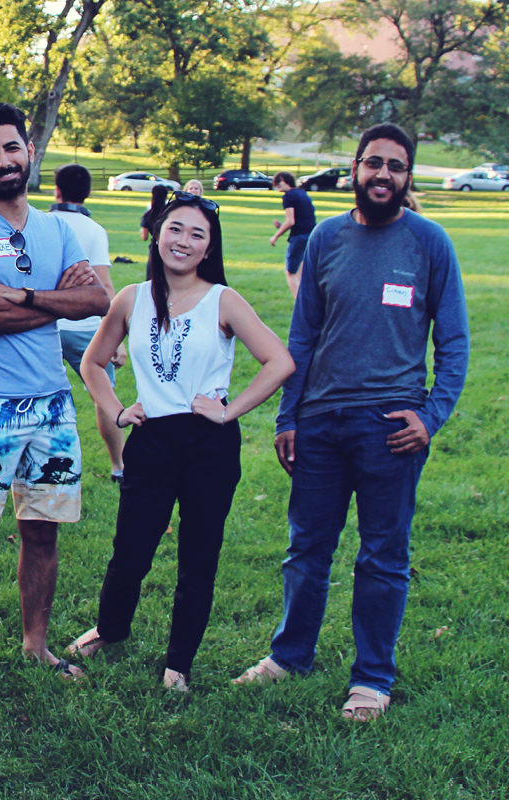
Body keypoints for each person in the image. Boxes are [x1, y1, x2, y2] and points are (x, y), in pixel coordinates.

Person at [235, 123, 469, 722]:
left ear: (408, 176)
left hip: (391, 427)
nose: (383, 174)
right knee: (306, 549)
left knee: (382, 557)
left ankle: (371, 681)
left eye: (396, 165)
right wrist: (289, 415)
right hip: (319, 423)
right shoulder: (327, 239)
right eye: (373, 163)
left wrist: (430, 416)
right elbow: (303, 335)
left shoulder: (430, 242)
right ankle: (289, 656)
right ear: (355, 169)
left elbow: (456, 343)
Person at [66, 191, 294, 691]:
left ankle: (178, 665)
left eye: (197, 234)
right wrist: (119, 410)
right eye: (176, 229)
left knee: (198, 555)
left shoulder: (223, 300)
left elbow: (279, 362)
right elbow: (93, 362)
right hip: (150, 439)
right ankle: (110, 629)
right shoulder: (131, 297)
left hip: (207, 444)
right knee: (130, 548)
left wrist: (229, 410)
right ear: (157, 232)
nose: (184, 241)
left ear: (210, 247)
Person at [0, 103, 110, 705]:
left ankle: (36, 645)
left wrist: (27, 293)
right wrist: (58, 297)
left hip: (53, 406)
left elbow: (100, 302)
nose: (4, 160)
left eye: (12, 148)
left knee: (43, 535)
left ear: (29, 151)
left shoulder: (61, 229)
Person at [47, 163, 125, 483]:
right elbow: (105, 288)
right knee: (104, 397)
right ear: (88, 193)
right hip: (85, 329)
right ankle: (119, 467)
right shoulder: (95, 231)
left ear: (57, 190)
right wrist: (116, 338)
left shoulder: (42, 224)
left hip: (45, 325)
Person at [270, 171, 317, 299]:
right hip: (311, 235)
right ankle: (308, 300)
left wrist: (275, 236)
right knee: (301, 273)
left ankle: (300, 305)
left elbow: (291, 221)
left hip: (299, 237)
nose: (277, 187)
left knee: (290, 273)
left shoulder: (289, 196)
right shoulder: (302, 193)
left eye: (278, 183)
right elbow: (301, 219)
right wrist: (281, 226)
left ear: (285, 180)